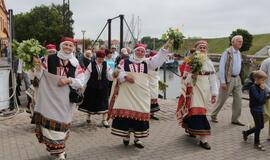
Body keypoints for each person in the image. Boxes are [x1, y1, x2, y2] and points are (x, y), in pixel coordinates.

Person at [108, 41, 172, 149]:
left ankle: (138, 139)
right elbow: (117, 73)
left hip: (142, 94)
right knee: (126, 115)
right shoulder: (125, 61)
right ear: (134, 51)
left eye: (143, 51)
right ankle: (126, 136)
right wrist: (125, 77)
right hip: (127, 92)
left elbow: (158, 59)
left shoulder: (147, 62)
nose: (140, 53)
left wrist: (165, 48)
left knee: (141, 113)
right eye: (138, 50)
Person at [31, 37, 84, 160]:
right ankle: (59, 153)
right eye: (65, 44)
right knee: (50, 125)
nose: (68, 47)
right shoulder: (50, 59)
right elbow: (40, 75)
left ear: (73, 48)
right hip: (49, 98)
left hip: (65, 100)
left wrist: (68, 80)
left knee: (61, 125)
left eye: (70, 46)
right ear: (61, 45)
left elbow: (81, 81)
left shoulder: (75, 63)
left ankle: (59, 150)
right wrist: (37, 66)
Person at [176, 40, 218, 150]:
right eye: (200, 47)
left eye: (204, 47)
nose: (203, 49)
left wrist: (214, 93)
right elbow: (184, 76)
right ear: (196, 49)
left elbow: (213, 79)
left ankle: (190, 128)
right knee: (198, 112)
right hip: (194, 89)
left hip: (205, 89)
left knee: (198, 111)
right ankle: (203, 139)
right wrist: (192, 76)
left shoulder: (209, 62)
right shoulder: (191, 61)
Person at [211, 35, 245, 126]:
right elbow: (222, 67)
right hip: (228, 79)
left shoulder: (239, 52)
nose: (240, 43)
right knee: (222, 99)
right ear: (233, 42)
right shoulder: (227, 52)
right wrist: (222, 81)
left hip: (237, 78)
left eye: (241, 41)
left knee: (238, 99)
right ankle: (213, 115)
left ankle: (235, 119)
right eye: (238, 41)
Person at [78, 51, 113, 127]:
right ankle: (88, 117)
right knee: (91, 101)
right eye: (99, 58)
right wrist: (82, 85)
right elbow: (86, 76)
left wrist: (114, 75)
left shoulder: (106, 64)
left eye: (102, 58)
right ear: (96, 57)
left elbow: (110, 76)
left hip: (103, 86)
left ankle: (104, 119)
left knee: (104, 102)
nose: (101, 60)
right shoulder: (91, 64)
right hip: (92, 86)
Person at [242, 70, 268, 151]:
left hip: (260, 108)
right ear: (256, 79)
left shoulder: (260, 87)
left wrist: (267, 95)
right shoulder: (253, 88)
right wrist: (263, 91)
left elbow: (263, 100)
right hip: (255, 109)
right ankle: (257, 143)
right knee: (258, 126)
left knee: (261, 125)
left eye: (264, 80)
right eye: (262, 80)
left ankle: (246, 133)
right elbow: (260, 99)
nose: (264, 82)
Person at [148, 50, 160, 120]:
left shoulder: (158, 64)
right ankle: (147, 113)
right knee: (148, 97)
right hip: (148, 82)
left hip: (155, 82)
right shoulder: (148, 62)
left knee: (154, 96)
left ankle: (152, 113)